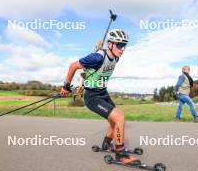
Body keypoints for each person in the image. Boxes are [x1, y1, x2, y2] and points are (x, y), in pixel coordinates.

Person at [60, 29, 140, 165]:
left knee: (115, 121)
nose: (123, 49)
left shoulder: (116, 57)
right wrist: (66, 86)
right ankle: (120, 155)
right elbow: (73, 66)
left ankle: (107, 144)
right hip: (92, 97)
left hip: (103, 93)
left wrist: (89, 71)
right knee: (120, 118)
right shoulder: (97, 57)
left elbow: (93, 71)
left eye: (125, 45)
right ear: (110, 45)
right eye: (120, 45)